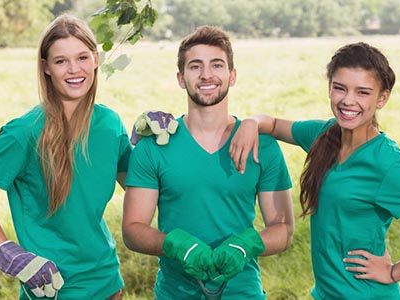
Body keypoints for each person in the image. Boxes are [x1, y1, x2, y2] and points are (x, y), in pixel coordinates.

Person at [229, 42, 400, 299]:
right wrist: (249, 123)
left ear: (382, 98)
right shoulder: (324, 135)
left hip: (366, 294)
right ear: (329, 88)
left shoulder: (386, 163)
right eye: (340, 88)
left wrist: (393, 273)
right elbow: (275, 124)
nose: (348, 100)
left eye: (363, 92)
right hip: (326, 293)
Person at [0, 14, 133, 300]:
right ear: (46, 68)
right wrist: (7, 252)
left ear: (95, 59)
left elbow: (140, 187)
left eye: (82, 57)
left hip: (106, 280)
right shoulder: (24, 132)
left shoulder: (111, 124)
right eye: (60, 61)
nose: (74, 69)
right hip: (50, 286)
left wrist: (158, 147)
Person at [121, 25, 294, 300]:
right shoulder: (153, 146)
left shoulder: (265, 147)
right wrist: (174, 245)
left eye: (217, 65)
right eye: (195, 66)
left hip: (243, 293)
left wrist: (247, 244)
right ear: (181, 78)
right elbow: (132, 230)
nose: (206, 75)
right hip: (174, 293)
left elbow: (283, 230)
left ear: (232, 75)